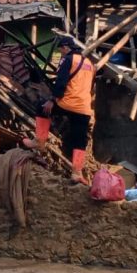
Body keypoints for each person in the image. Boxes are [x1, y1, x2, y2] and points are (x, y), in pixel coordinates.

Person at [40, 36, 96, 184]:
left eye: (61, 50)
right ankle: (77, 173)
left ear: (66, 47)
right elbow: (91, 87)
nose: (61, 53)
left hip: (67, 104)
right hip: (84, 108)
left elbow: (61, 82)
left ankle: (39, 142)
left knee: (41, 108)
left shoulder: (68, 60)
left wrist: (52, 100)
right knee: (80, 141)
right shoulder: (89, 63)